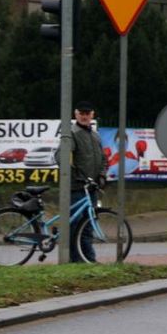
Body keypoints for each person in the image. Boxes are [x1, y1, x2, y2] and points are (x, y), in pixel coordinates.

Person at [57, 101, 107, 262]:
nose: (85, 116)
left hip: (91, 189)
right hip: (76, 188)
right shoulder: (72, 133)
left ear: (92, 115)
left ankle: (88, 259)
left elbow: (103, 159)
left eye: (88, 113)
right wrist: (75, 174)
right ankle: (74, 260)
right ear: (76, 114)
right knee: (75, 225)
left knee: (87, 227)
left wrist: (102, 175)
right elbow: (62, 156)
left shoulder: (95, 135)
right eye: (82, 113)